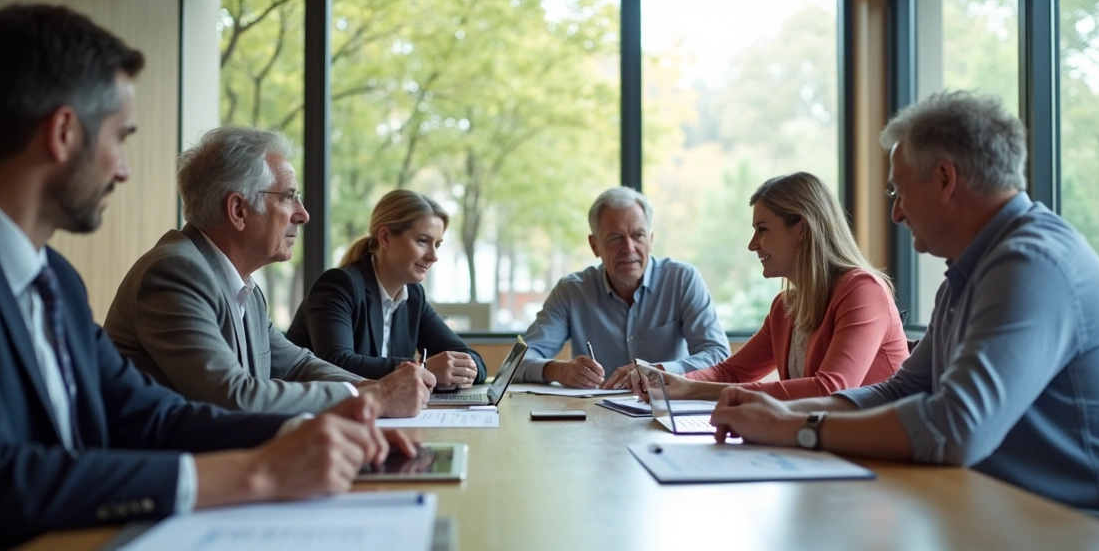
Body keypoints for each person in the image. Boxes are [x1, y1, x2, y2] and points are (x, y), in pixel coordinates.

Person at [0, 4, 416, 551]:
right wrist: (257, 471)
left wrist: (309, 433)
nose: (124, 170)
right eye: (120, 138)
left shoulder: (55, 279)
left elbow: (154, 416)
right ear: (64, 133)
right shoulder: (170, 271)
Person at [710, 91, 1099, 517]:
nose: (896, 213)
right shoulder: (970, 272)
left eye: (898, 191)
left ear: (945, 179)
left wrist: (796, 428)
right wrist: (782, 412)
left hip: (1078, 532)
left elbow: (955, 427)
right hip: (998, 508)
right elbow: (901, 390)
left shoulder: (1030, 264)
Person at [103, 127, 433, 417]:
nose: (303, 214)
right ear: (238, 210)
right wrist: (374, 398)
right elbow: (233, 397)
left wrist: (378, 388)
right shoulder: (175, 273)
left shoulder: (244, 286)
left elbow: (298, 365)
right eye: (289, 197)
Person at [624, 172, 908, 401]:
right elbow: (731, 373)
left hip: (879, 451)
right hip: (822, 444)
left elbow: (830, 390)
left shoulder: (863, 290)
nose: (752, 244)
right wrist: (668, 381)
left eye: (762, 229)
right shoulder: (785, 307)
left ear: (802, 229)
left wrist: (697, 390)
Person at [513, 187, 730, 388]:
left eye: (638, 235)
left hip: (666, 408)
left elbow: (718, 355)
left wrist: (658, 371)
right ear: (594, 245)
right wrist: (559, 371)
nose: (629, 248)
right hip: (593, 411)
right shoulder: (571, 292)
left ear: (651, 239)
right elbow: (515, 363)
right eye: (615, 238)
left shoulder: (682, 280)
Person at [286, 189, 487, 386]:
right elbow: (336, 364)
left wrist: (465, 369)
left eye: (437, 244)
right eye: (423, 241)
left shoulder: (413, 296)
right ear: (385, 237)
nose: (433, 256)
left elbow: (472, 359)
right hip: (313, 406)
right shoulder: (338, 285)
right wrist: (423, 368)